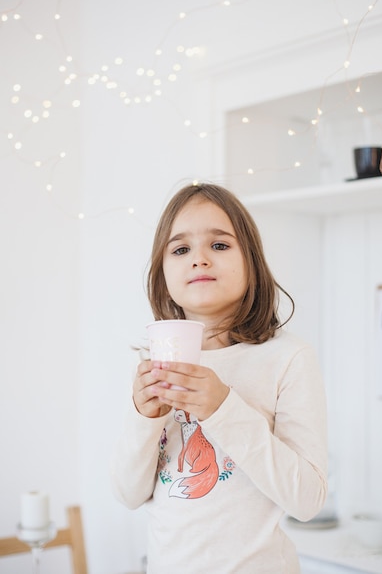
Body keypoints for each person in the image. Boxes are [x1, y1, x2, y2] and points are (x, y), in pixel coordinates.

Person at [111, 182, 328, 574]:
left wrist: (223, 408)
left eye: (220, 245)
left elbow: (307, 500)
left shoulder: (288, 358)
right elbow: (128, 494)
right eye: (180, 250)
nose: (199, 260)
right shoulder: (152, 364)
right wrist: (144, 419)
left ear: (252, 263)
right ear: (163, 277)